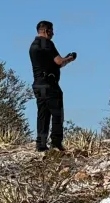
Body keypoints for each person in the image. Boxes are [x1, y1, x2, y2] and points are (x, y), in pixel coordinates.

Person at [29, 20, 76, 152]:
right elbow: (59, 61)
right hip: (49, 84)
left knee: (42, 113)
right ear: (46, 31)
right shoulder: (46, 43)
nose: (53, 34)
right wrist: (70, 58)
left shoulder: (33, 45)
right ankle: (56, 143)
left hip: (38, 84)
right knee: (57, 113)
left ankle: (41, 144)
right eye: (52, 31)